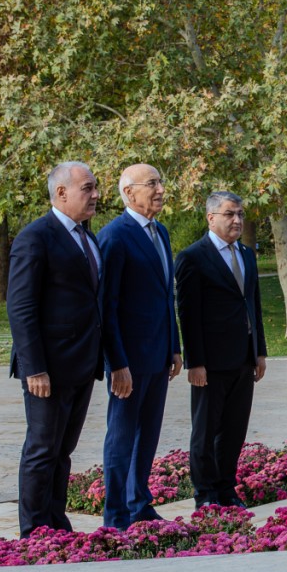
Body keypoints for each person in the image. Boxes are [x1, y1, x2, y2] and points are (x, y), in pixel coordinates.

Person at [7, 161, 104, 537]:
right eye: (88, 188)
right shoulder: (36, 237)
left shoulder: (87, 236)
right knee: (42, 449)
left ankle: (56, 523)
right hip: (47, 369)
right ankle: (33, 531)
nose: (96, 195)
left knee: (63, 451)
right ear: (61, 193)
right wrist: (34, 368)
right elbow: (21, 307)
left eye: (95, 188)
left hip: (81, 364)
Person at [97, 163, 184, 529]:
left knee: (147, 433)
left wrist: (174, 347)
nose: (161, 189)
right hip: (128, 361)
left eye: (161, 181)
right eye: (152, 183)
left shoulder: (160, 232)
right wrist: (116, 363)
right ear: (129, 193)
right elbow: (107, 306)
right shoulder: (114, 236)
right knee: (121, 437)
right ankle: (115, 513)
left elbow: (167, 297)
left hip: (158, 354)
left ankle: (139, 503)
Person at [175, 190, 267, 509]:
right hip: (210, 363)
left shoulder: (246, 254)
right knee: (205, 433)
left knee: (233, 431)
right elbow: (188, 314)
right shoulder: (192, 258)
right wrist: (194, 362)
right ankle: (206, 494)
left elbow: (253, 304)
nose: (237, 220)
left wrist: (260, 352)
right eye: (230, 214)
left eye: (240, 214)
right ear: (211, 218)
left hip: (243, 358)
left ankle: (227, 489)